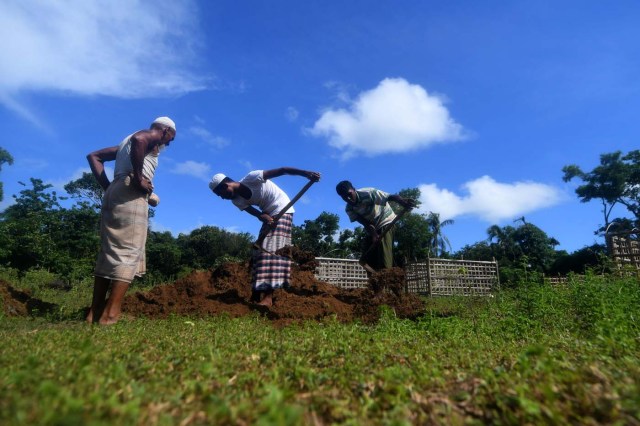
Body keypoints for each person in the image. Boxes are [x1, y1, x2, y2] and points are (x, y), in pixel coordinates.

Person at [86, 117, 176, 325]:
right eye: (171, 138)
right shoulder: (148, 137)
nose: (169, 143)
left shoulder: (123, 146)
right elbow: (139, 139)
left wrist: (108, 186)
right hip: (130, 194)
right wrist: (138, 178)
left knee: (109, 252)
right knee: (128, 251)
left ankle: (95, 312)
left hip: (115, 192)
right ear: (164, 130)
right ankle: (110, 316)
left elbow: (94, 156)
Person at [209, 167, 320, 306]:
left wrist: (306, 173)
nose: (222, 198)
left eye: (221, 194)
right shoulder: (236, 200)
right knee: (258, 250)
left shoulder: (253, 178)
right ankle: (256, 294)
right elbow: (257, 214)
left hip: (282, 208)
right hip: (269, 213)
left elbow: (283, 170)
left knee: (272, 250)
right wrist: (264, 217)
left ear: (225, 185)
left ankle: (268, 297)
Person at [336, 180, 416, 271]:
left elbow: (392, 197)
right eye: (344, 197)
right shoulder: (349, 209)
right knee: (365, 259)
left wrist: (404, 203)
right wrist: (374, 235)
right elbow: (366, 223)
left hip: (386, 221)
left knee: (384, 258)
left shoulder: (369, 193)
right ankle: (375, 281)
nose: (348, 198)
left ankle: (386, 277)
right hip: (372, 227)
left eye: (349, 194)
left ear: (354, 189)